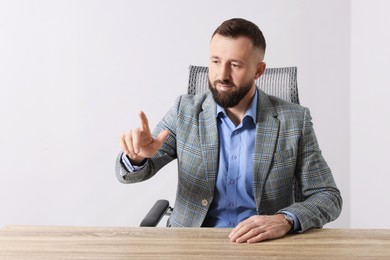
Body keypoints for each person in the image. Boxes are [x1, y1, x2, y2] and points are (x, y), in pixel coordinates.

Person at [115, 18, 342, 243]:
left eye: (235, 65)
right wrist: (136, 158)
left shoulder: (294, 120)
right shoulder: (184, 111)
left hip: (264, 245)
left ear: (259, 70)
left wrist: (285, 220)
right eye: (215, 61)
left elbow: (328, 196)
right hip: (192, 243)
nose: (221, 75)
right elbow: (133, 173)